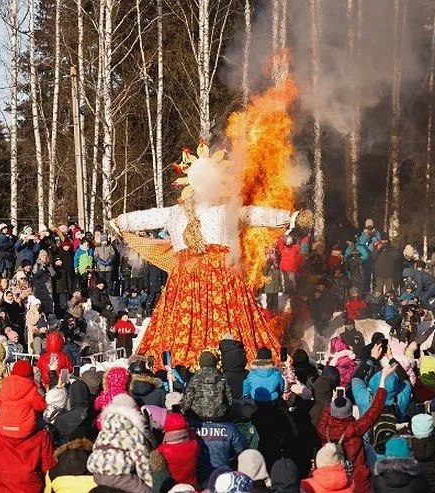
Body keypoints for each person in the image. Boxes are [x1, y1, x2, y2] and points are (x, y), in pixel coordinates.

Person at [114, 142, 306, 365]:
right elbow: (254, 214)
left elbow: (254, 214)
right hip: (210, 278)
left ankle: (202, 362)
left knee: (202, 322)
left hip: (203, 278)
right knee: (221, 322)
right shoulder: (182, 212)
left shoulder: (218, 210)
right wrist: (291, 217)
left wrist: (289, 218)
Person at [320, 360, 396, 492]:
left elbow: (326, 416)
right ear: (350, 411)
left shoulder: (323, 430)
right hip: (357, 483)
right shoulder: (354, 429)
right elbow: (375, 409)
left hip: (331, 482)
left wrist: (332, 403)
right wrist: (383, 380)